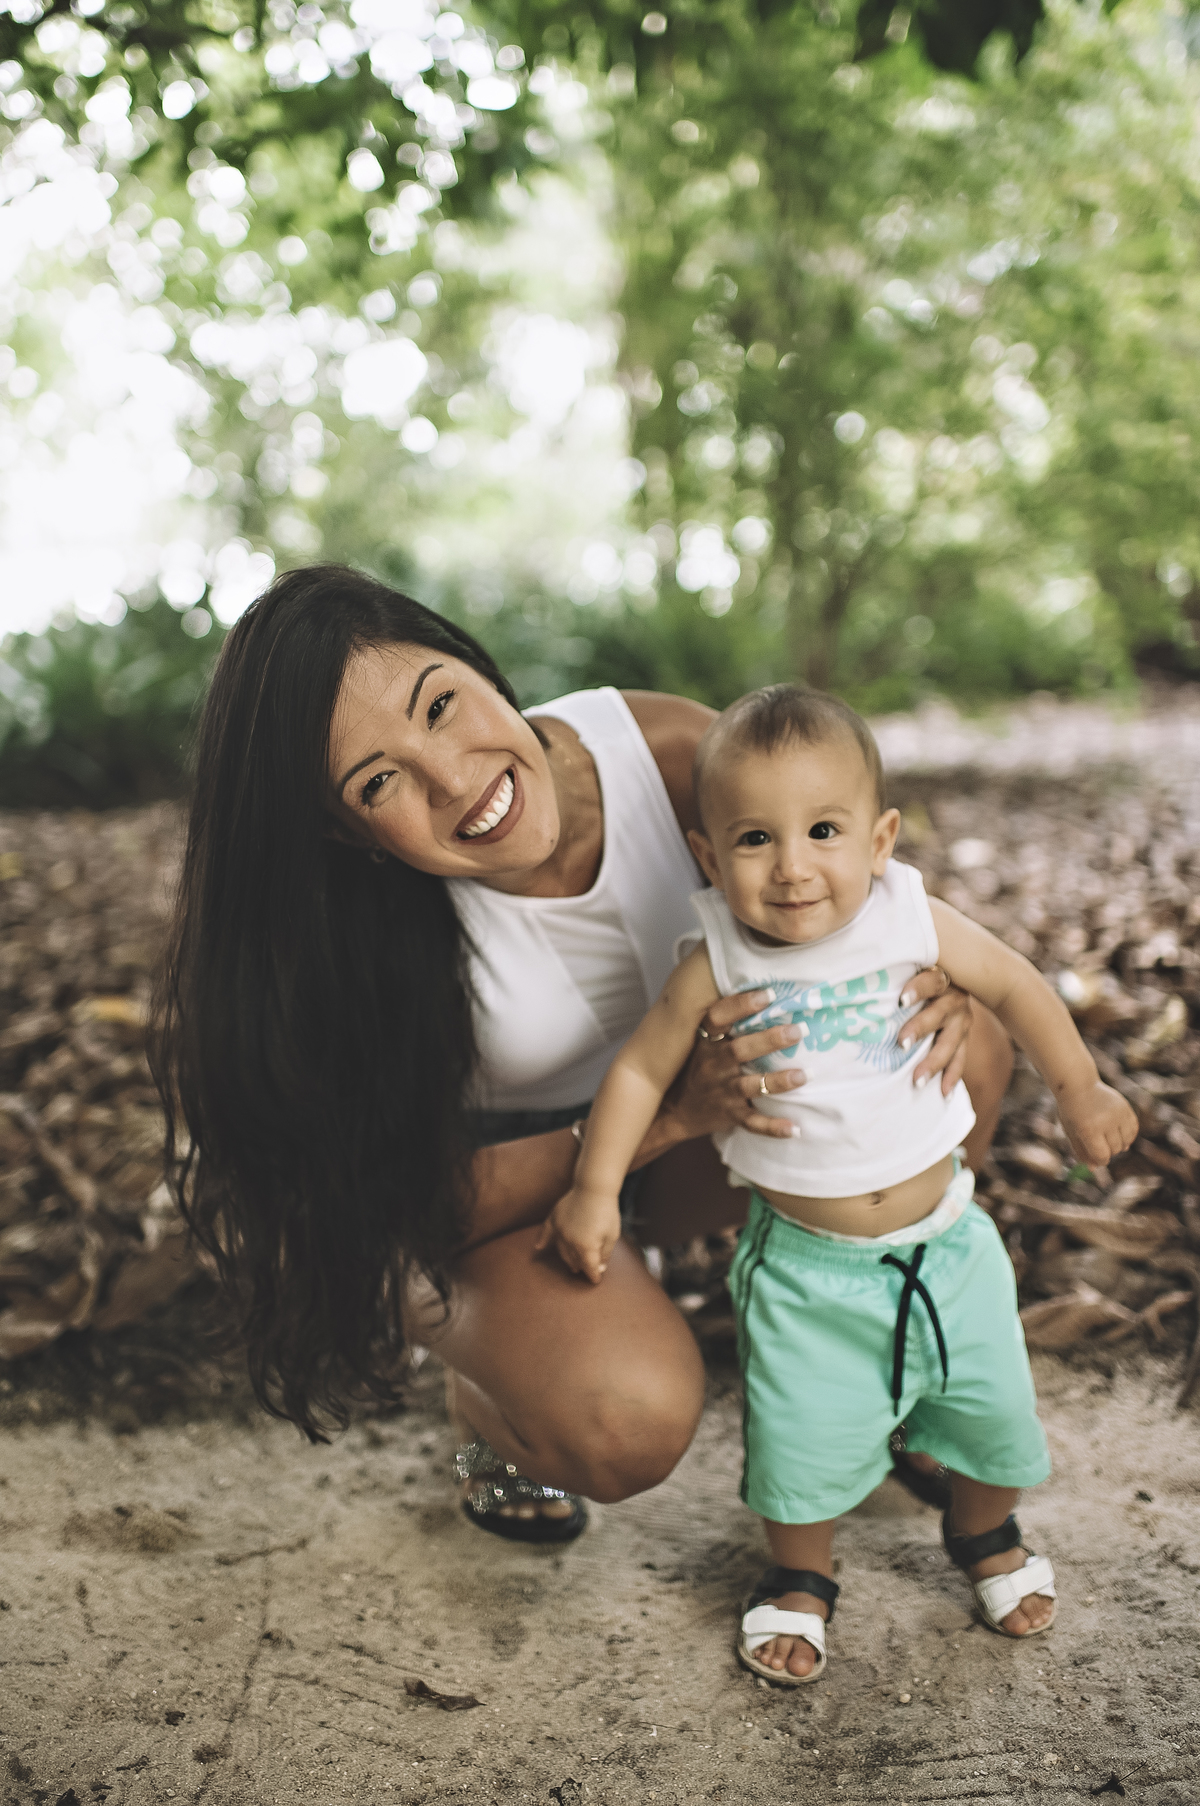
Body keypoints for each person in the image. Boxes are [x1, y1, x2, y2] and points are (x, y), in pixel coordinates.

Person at [152, 566, 1010, 1548]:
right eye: (380, 781)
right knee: (622, 1422)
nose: (455, 777)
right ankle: (483, 1404)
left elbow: (858, 896)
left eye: (440, 704)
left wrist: (929, 978)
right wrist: (665, 1121)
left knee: (961, 1041)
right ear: (343, 831)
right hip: (494, 1197)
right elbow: (381, 1206)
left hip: (692, 1131)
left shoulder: (677, 756)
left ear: (471, 659)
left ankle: (893, 1345)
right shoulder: (345, 937)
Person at [538, 683, 1137, 1675]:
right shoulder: (717, 954)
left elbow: (1018, 985)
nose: (793, 867)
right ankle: (801, 1574)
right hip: (806, 1266)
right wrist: (596, 1189)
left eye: (823, 830)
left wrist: (1079, 1087)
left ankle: (983, 1532)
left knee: (992, 1414)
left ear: (879, 837)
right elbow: (643, 1067)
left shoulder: (911, 914)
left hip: (947, 1244)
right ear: (706, 856)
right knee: (801, 1442)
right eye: (755, 840)